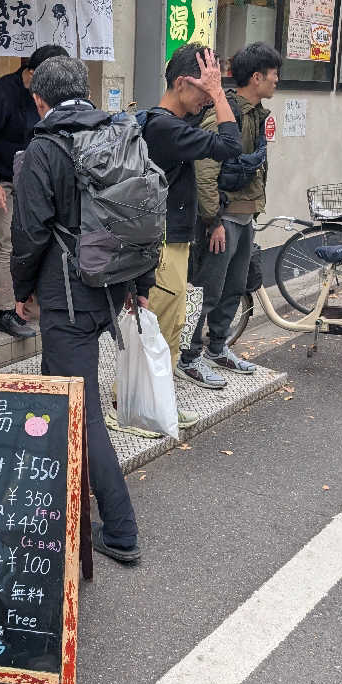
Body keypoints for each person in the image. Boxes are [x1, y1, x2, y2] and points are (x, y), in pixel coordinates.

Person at [11, 56, 156, 566]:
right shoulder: (119, 133)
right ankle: (55, 503)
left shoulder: (46, 148)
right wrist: (141, 282)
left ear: (39, 99)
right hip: (110, 288)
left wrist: (20, 289)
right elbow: (139, 214)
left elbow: (28, 232)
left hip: (65, 296)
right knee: (59, 401)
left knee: (81, 411)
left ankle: (119, 529)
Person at [109, 44, 242, 428]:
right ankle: (139, 404)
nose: (207, 99)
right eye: (205, 90)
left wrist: (212, 92)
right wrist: (220, 96)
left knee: (159, 323)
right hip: (163, 242)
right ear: (184, 84)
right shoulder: (165, 127)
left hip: (166, 238)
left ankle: (144, 398)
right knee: (163, 325)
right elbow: (230, 146)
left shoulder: (163, 123)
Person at [177, 41, 281, 382]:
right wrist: (214, 221)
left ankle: (218, 348)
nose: (277, 81)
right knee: (206, 291)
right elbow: (204, 171)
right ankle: (189, 357)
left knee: (233, 289)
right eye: (274, 75)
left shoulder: (256, 114)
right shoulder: (226, 113)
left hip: (245, 217)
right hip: (222, 221)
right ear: (256, 77)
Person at [0, 44, 69, 339]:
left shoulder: (44, 97)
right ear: (31, 72)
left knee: (16, 239)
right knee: (11, 240)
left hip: (26, 177)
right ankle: (5, 311)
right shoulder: (3, 93)